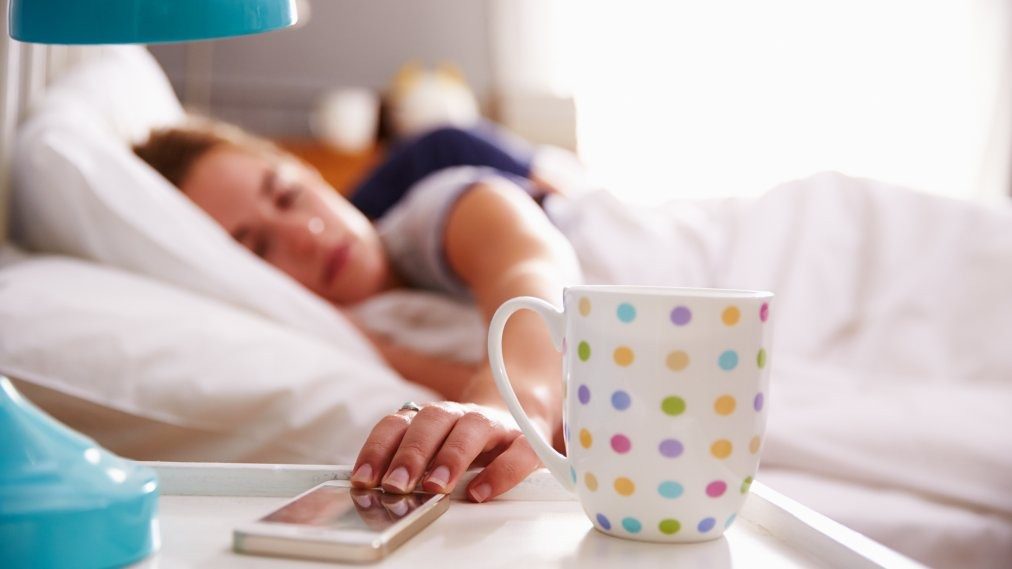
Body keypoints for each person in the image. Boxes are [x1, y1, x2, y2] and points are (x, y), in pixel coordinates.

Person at [134, 118, 582, 504]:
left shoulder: (432, 213)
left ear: (311, 173)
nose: (306, 234)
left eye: (288, 196)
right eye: (261, 249)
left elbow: (531, 272)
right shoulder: (354, 334)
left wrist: (513, 405)